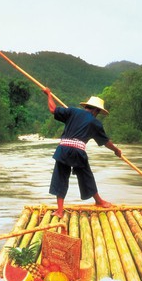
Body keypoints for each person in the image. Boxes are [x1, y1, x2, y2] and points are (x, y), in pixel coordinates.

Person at [43, 88, 122, 218]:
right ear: (96, 110)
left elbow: (52, 109)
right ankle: (99, 201)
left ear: (87, 106)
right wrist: (116, 150)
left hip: (63, 149)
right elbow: (106, 142)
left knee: (61, 177)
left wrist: (49, 94)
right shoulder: (95, 123)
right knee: (86, 176)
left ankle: (60, 211)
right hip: (78, 152)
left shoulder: (72, 111)